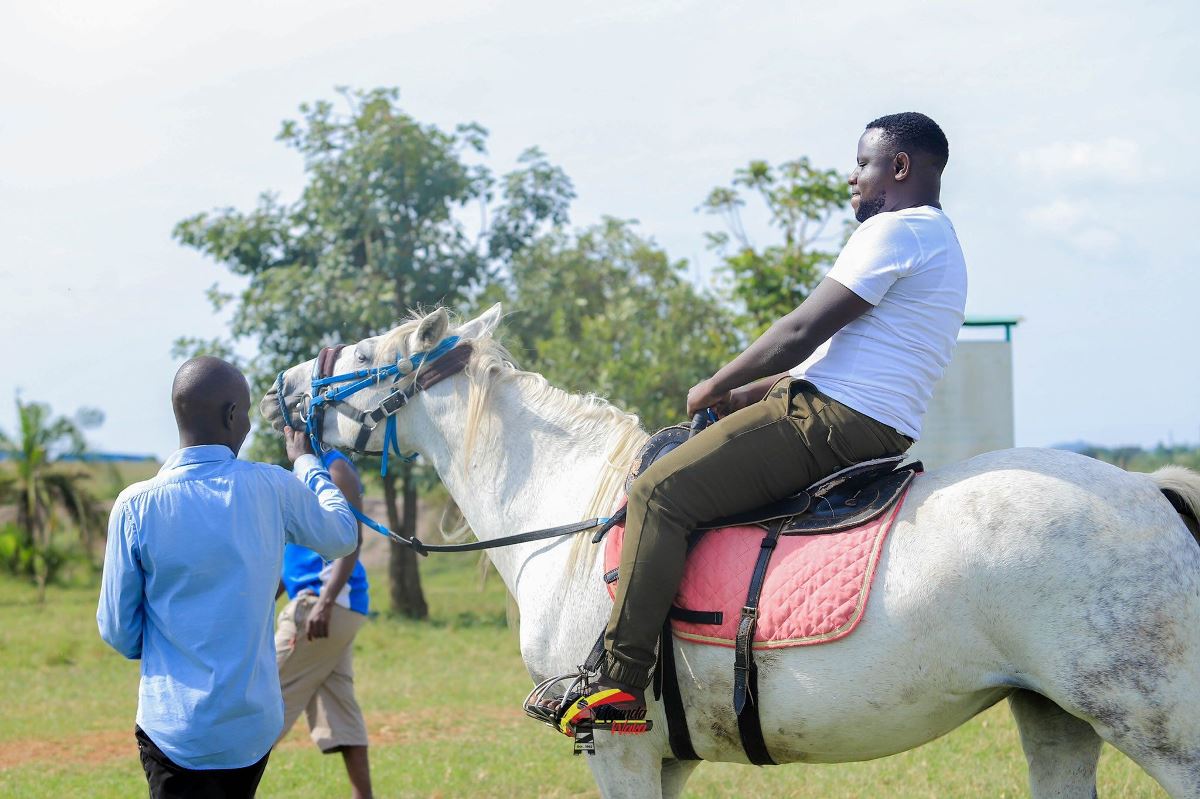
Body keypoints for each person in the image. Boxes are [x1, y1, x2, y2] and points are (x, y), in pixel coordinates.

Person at [560, 112, 968, 731]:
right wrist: (744, 396)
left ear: (901, 167)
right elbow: (839, 358)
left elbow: (799, 333)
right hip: (860, 417)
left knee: (658, 492)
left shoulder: (895, 232)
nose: (851, 177)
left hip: (830, 420)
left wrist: (713, 386)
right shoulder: (939, 240)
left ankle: (618, 679)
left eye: (864, 164)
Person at [97, 356, 358, 798]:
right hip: (249, 731)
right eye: (248, 413)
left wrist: (167, 650)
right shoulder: (272, 486)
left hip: (174, 729)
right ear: (231, 415)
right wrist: (307, 464)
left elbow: (118, 631)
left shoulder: (134, 505)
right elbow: (341, 536)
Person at [275, 448, 373, 799]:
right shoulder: (300, 470)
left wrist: (325, 602)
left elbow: (351, 542)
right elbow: (296, 554)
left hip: (323, 604)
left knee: (263, 698)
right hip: (324, 604)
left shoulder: (335, 468)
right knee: (340, 708)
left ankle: (221, 788)